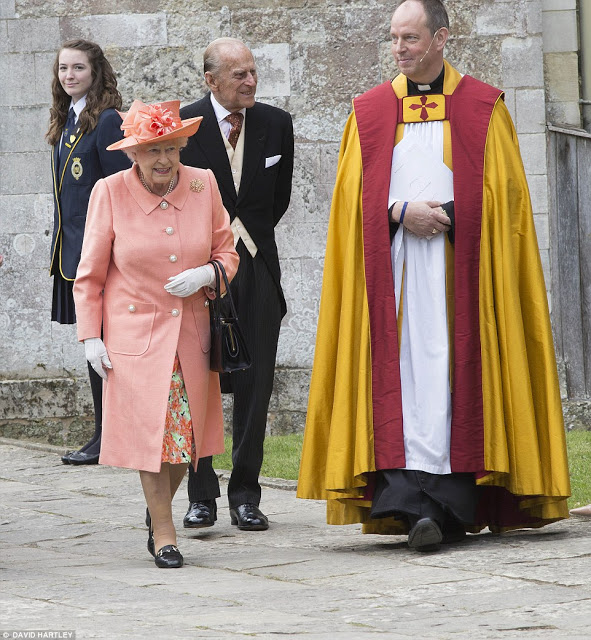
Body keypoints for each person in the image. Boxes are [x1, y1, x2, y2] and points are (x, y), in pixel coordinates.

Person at [297, 0, 571, 551]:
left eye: (411, 39)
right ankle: (409, 502)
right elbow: (351, 203)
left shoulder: (483, 108)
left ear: (442, 38)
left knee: (454, 375)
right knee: (403, 379)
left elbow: (507, 203)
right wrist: (401, 214)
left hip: (461, 276)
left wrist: (446, 213)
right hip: (393, 277)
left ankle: (447, 503)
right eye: (394, 39)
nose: (399, 49)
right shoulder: (370, 111)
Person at [73, 100, 239, 567]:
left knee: (183, 440)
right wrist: (91, 335)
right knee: (154, 435)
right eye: (152, 151)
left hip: (191, 333)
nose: (164, 159)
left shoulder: (203, 184)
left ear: (182, 145)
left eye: (170, 148)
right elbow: (90, 274)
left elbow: (228, 253)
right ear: (133, 155)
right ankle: (165, 533)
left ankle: (156, 511)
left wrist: (207, 275)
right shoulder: (109, 192)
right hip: (134, 337)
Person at [179, 37, 294, 531]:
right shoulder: (185, 124)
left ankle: (246, 493)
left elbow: (278, 198)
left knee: (256, 384)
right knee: (198, 383)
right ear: (211, 80)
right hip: (203, 274)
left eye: (253, 72)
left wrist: (246, 242)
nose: (251, 81)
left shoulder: (275, 123)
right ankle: (200, 494)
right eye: (238, 75)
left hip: (258, 270)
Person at [47, 39, 131, 465]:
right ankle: (106, 432)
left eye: (78, 68)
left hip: (102, 256)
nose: (69, 76)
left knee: (104, 346)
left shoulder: (109, 121)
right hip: (73, 253)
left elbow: (122, 191)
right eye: (63, 69)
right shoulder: (67, 121)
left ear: (96, 73)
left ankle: (107, 436)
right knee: (94, 346)